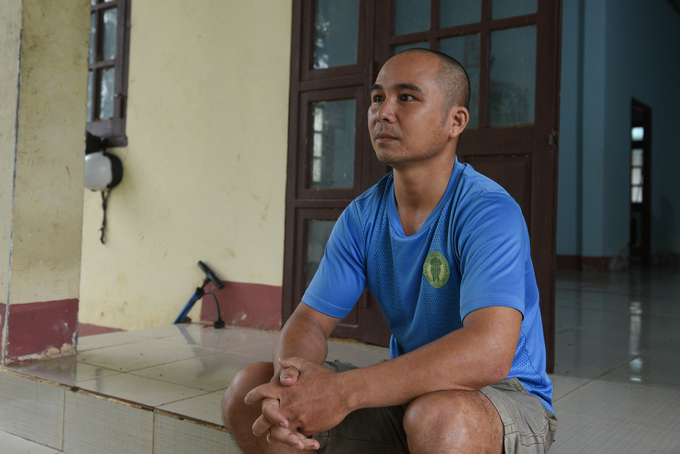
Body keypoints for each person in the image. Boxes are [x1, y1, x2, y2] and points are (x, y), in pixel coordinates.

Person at [222, 48, 557, 454]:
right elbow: (309, 320)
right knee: (250, 395)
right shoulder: (362, 217)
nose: (384, 112)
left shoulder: (487, 211)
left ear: (456, 121)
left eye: (407, 97)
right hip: (410, 396)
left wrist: (343, 392)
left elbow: (489, 353)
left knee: (440, 420)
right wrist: (290, 383)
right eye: (378, 97)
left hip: (501, 398)